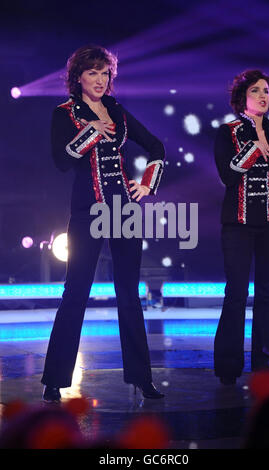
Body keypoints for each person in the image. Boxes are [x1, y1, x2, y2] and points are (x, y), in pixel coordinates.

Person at [41, 45, 165, 401]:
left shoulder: (118, 111)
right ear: (78, 77)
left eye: (104, 73)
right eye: (92, 72)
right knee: (75, 292)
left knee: (129, 294)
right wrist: (91, 130)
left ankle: (142, 378)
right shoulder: (64, 113)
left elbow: (156, 146)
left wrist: (145, 185)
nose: (99, 79)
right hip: (87, 211)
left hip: (124, 210)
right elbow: (62, 160)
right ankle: (54, 379)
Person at [214, 69, 269, 385]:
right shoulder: (227, 132)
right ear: (243, 96)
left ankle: (265, 366)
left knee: (268, 294)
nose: (262, 96)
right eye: (256, 90)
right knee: (236, 292)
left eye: (266, 91)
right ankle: (229, 366)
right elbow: (228, 176)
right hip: (238, 225)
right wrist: (256, 143)